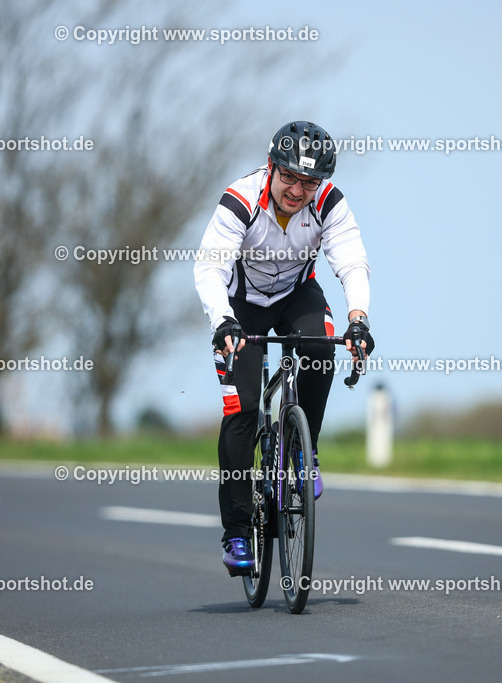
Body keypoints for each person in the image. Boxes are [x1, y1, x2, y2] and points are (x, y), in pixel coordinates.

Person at [194, 121, 375, 575]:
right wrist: (222, 322)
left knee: (320, 352)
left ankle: (302, 452)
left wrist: (358, 320)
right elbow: (209, 267)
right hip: (242, 304)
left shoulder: (330, 204)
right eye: (290, 177)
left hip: (296, 294)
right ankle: (236, 532)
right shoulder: (240, 199)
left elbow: (351, 261)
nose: (298, 190)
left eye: (309, 182)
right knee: (243, 411)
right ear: (272, 166)